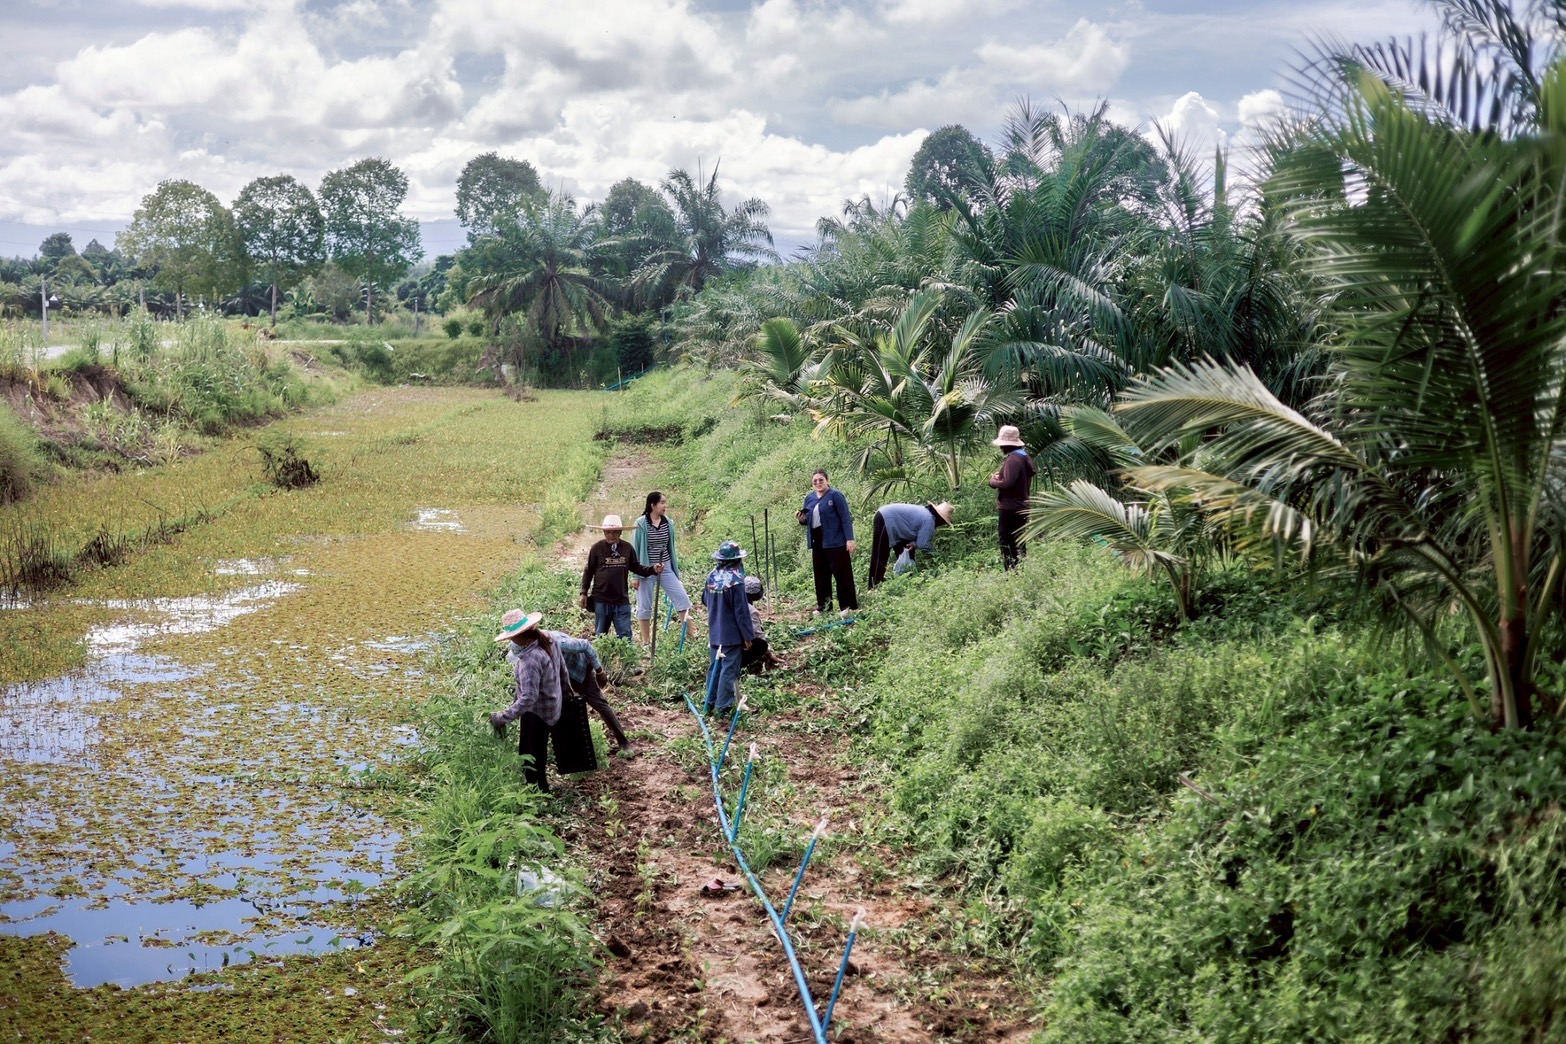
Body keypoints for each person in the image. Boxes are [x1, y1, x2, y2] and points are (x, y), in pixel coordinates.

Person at [488, 610, 570, 793]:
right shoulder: (548, 638)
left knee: (530, 757)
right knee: (539, 751)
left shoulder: (529, 660)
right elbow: (562, 669)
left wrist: (502, 717)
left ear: (518, 636)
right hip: (553, 705)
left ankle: (538, 793)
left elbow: (528, 698)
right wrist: (565, 694)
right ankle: (542, 788)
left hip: (537, 712)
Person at [541, 629, 635, 757]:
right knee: (562, 707)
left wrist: (599, 671)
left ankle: (623, 742)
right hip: (560, 675)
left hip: (579, 670)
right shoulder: (531, 651)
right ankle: (567, 748)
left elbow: (585, 645)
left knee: (599, 703)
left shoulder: (559, 643)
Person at [631, 491, 695, 645]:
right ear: (653, 505)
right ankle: (646, 641)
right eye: (662, 503)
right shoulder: (641, 524)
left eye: (665, 503)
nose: (665, 506)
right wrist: (635, 575)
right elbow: (635, 549)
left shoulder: (668, 523)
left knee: (681, 598)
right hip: (646, 569)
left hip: (665, 567)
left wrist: (672, 567)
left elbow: (670, 547)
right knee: (644, 605)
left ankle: (691, 635)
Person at [580, 514, 659, 639]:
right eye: (608, 532)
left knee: (625, 637)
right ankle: (602, 653)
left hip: (621, 600)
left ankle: (625, 653)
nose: (611, 535)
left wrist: (653, 569)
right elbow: (588, 571)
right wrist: (583, 592)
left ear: (620, 532)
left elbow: (636, 567)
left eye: (614, 532)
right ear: (604, 532)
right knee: (601, 636)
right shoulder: (597, 548)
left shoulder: (627, 548)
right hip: (601, 599)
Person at [702, 541, 756, 715]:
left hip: (715, 631)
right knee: (729, 669)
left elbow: (705, 600)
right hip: (731, 634)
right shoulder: (736, 581)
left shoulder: (712, 576)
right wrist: (747, 637)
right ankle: (723, 706)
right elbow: (741, 612)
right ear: (737, 561)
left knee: (715, 667)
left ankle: (709, 702)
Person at [796, 469, 858, 616]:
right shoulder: (810, 498)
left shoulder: (835, 496)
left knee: (842, 574)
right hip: (817, 541)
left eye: (821, 480)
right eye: (815, 481)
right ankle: (823, 606)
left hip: (836, 540)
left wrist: (849, 539)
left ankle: (847, 606)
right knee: (821, 575)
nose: (818, 483)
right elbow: (808, 519)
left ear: (827, 481)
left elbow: (845, 518)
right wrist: (802, 520)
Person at [867, 501, 955, 588]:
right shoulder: (929, 519)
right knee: (881, 553)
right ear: (940, 518)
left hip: (897, 524)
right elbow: (923, 544)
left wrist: (914, 544)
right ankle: (873, 586)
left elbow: (917, 534)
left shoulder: (926, 515)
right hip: (886, 517)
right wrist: (937, 556)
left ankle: (904, 582)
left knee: (907, 553)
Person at [987, 425, 1037, 570]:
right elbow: (1017, 478)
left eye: (1002, 445)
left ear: (1007, 444)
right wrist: (1002, 476)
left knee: (1007, 541)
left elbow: (1007, 483)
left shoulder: (1013, 459)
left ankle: (1011, 571)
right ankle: (1021, 570)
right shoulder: (1024, 456)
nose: (1000, 447)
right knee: (1019, 540)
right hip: (1022, 505)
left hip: (1010, 507)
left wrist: (993, 482)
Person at [741, 575, 782, 674]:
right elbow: (758, 634)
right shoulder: (751, 611)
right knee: (761, 645)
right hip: (737, 647)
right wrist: (769, 653)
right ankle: (738, 663)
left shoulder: (734, 602)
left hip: (720, 645)